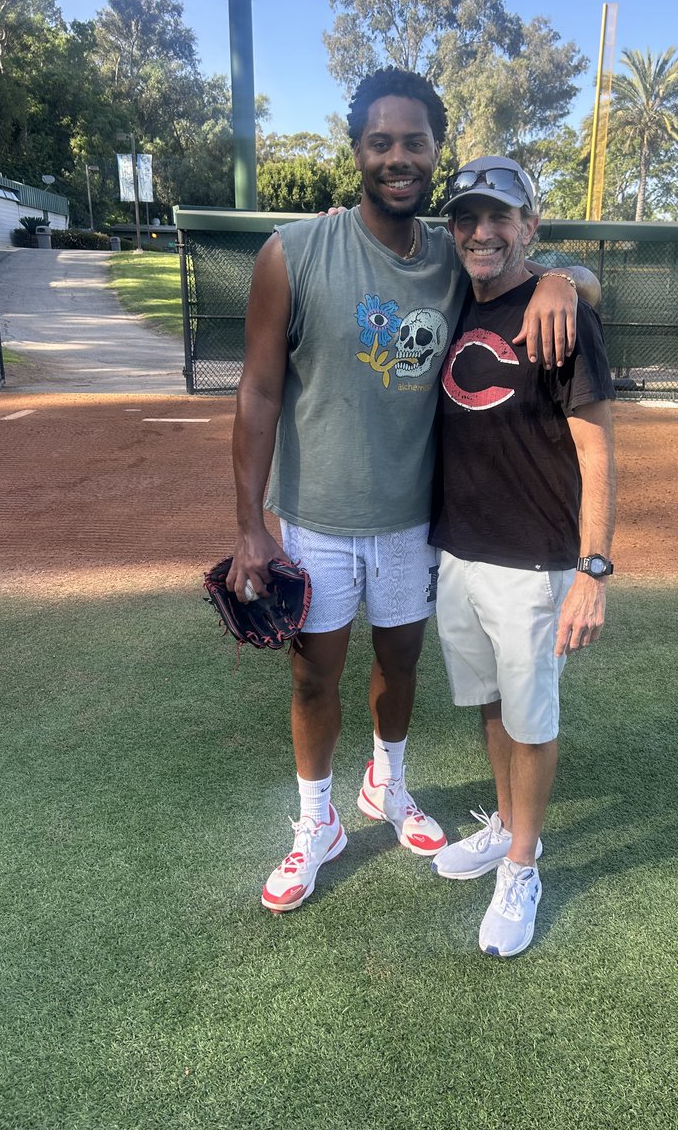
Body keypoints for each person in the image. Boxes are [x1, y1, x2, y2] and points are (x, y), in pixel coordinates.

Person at [227, 70, 582, 914]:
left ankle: (387, 785)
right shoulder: (293, 251)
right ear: (355, 151)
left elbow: (537, 269)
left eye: (414, 142)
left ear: (435, 152)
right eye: (381, 142)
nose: (398, 157)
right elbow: (258, 392)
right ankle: (317, 822)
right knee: (313, 678)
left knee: (401, 665)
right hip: (316, 518)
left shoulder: (454, 257)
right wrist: (250, 527)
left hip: (415, 521)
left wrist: (564, 280)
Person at [429, 156, 617, 958]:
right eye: (467, 218)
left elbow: (598, 451)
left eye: (499, 217)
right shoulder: (449, 294)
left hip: (535, 562)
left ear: (529, 227)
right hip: (459, 553)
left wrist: (593, 571)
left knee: (532, 721)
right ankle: (506, 825)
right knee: (490, 705)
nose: (481, 233)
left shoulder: (561, 313)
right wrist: (570, 275)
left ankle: (522, 866)